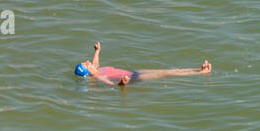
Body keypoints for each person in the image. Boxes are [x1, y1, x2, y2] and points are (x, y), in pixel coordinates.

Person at [74, 42, 211, 86]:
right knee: (165, 74)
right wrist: (122, 83)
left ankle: (198, 69)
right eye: (86, 65)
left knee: (165, 70)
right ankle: (201, 72)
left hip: (134, 72)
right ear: (87, 73)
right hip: (134, 79)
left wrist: (97, 51)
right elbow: (112, 86)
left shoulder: (96, 69)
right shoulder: (98, 77)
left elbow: (95, 62)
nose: (88, 62)